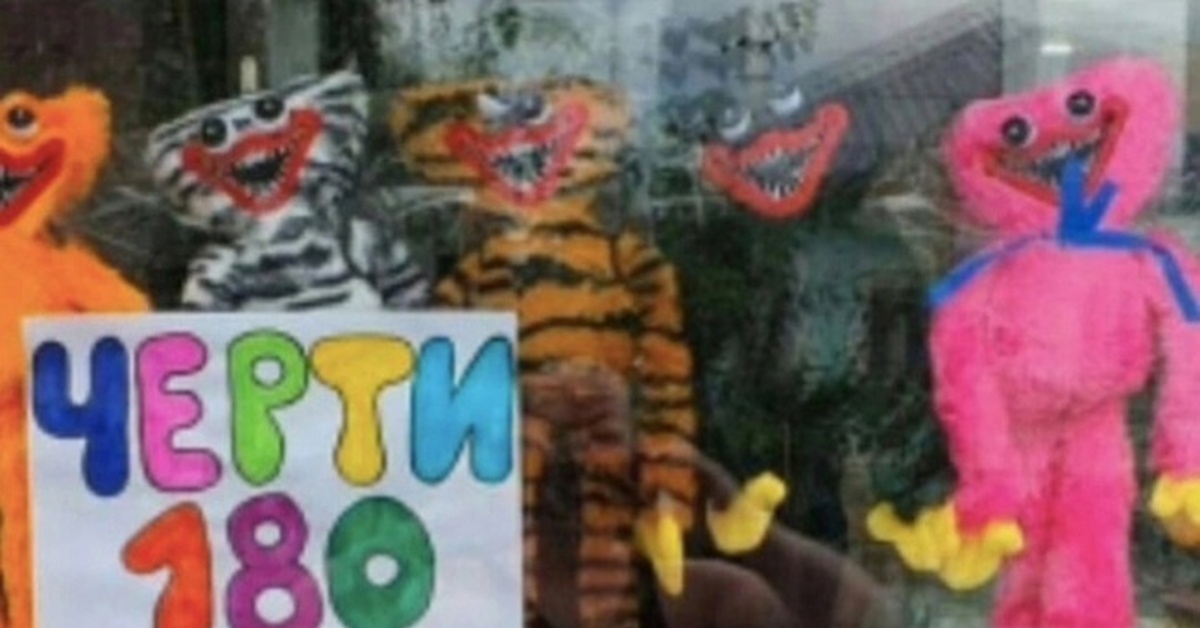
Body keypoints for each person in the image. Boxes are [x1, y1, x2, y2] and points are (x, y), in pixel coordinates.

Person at [523, 365, 903, 628]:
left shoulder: (714, 604)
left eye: (605, 444)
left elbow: (872, 619)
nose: (584, 469)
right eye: (560, 451)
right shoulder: (496, 602)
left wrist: (749, 532)